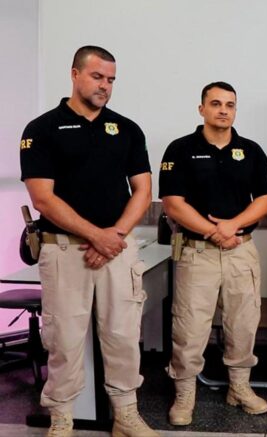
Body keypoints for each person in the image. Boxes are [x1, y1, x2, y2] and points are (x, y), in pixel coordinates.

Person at [19, 46, 157, 437]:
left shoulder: (126, 129)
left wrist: (115, 236)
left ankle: (125, 416)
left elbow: (143, 190)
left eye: (111, 80)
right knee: (64, 339)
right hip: (64, 249)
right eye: (97, 77)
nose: (105, 86)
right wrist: (97, 236)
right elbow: (43, 198)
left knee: (123, 336)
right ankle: (61, 418)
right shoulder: (42, 129)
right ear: (75, 74)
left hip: (117, 249)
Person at [159, 82, 267, 426]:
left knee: (243, 324)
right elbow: (173, 203)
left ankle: (239, 388)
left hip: (241, 251)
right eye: (215, 103)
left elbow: (265, 199)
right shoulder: (180, 149)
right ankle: (185, 394)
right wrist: (213, 231)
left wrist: (232, 226)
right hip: (198, 253)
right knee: (189, 328)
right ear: (202, 109)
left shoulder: (250, 151)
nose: (223, 110)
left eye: (230, 104)